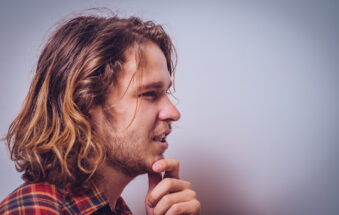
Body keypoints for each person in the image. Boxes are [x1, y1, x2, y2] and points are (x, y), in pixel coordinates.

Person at [0, 11, 201, 215]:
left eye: (166, 92)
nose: (173, 113)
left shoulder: (116, 210)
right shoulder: (35, 211)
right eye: (150, 93)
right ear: (84, 103)